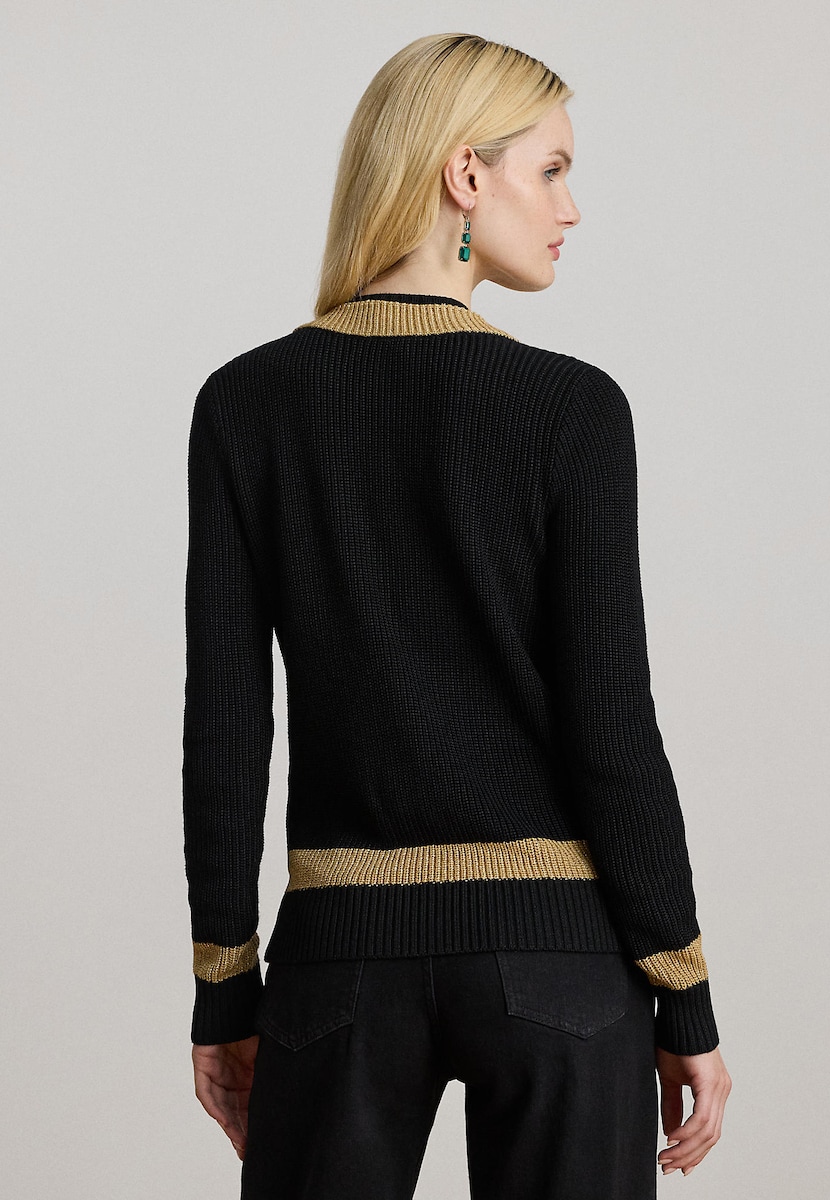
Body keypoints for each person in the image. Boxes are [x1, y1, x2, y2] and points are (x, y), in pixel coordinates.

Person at [183, 31, 732, 1200]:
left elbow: (226, 729)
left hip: (337, 967)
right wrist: (681, 988)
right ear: (465, 175)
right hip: (559, 961)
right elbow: (611, 727)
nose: (572, 208)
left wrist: (224, 991)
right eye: (553, 169)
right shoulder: (570, 410)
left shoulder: (247, 403)